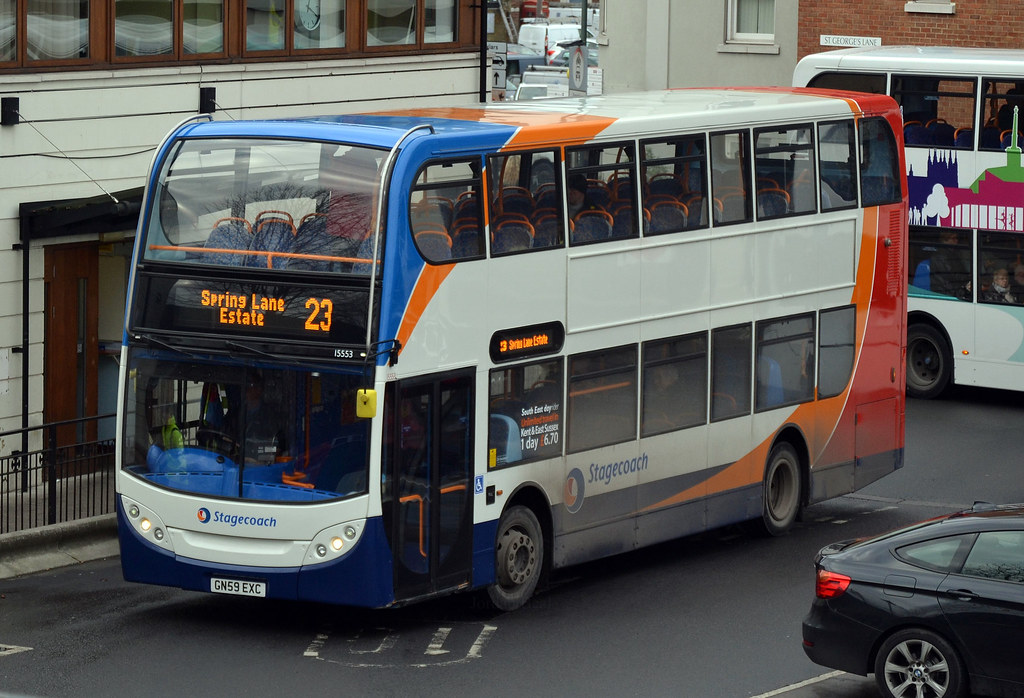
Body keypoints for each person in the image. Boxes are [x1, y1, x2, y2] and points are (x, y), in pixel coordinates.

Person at [929, 230, 972, 300]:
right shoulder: (940, 257)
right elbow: (950, 276)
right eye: (953, 238)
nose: (956, 240)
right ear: (945, 240)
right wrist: (967, 279)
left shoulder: (953, 253)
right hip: (944, 291)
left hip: (953, 287)